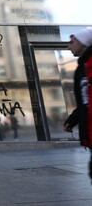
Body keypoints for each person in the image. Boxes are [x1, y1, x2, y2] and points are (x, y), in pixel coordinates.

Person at [64, 28, 92, 182]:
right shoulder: (82, 68)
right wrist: (73, 120)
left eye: (72, 42)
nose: (69, 46)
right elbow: (85, 101)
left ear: (83, 42)